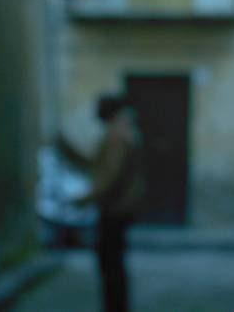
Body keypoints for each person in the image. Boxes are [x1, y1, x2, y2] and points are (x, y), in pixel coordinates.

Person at [75, 94, 146, 312]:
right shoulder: (127, 132)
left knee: (110, 264)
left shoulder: (116, 135)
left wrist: (84, 199)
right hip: (120, 208)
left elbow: (110, 176)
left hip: (113, 209)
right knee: (115, 263)